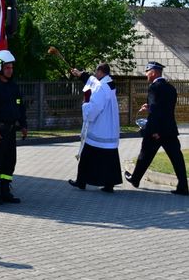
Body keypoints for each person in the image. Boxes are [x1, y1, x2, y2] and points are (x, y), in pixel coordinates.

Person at [125, 61, 188, 195]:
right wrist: (149, 107)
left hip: (157, 130)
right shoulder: (171, 88)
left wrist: (154, 131)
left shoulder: (154, 87)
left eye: (147, 71)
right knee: (177, 158)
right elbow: (165, 109)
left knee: (144, 155)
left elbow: (157, 112)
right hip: (169, 129)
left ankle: (135, 179)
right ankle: (183, 186)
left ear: (153, 72)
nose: (146, 74)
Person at [68, 63, 122, 192]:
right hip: (109, 129)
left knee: (86, 156)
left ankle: (81, 182)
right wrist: (80, 74)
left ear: (101, 72)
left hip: (99, 128)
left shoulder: (101, 88)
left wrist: (85, 105)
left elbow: (95, 108)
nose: (95, 75)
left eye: (96, 72)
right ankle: (109, 184)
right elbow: (92, 81)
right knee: (109, 159)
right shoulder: (109, 83)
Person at [0, 50, 27, 204]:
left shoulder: (13, 86)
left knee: (9, 162)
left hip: (10, 131)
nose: (10, 70)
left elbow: (20, 106)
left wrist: (23, 124)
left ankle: (6, 192)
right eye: (7, 67)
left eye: (11, 68)